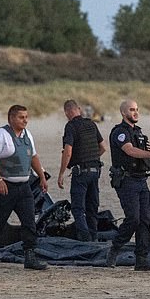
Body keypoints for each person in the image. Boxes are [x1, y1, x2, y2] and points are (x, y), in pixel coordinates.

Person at [0, 105, 49, 271]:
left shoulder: (27, 135)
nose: (25, 120)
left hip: (24, 187)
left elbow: (33, 156)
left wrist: (42, 176)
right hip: (4, 188)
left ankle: (30, 257)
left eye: (26, 117)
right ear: (11, 119)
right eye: (21, 117)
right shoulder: (1, 135)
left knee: (30, 222)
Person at [105, 100, 150, 271]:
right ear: (123, 113)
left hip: (141, 180)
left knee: (145, 220)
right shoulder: (120, 132)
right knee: (133, 218)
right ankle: (115, 247)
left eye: (136, 109)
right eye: (131, 110)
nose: (135, 113)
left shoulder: (139, 132)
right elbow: (130, 151)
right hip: (127, 181)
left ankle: (142, 259)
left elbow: (142, 151)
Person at [57, 99, 107, 241]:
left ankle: (85, 239)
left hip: (81, 173)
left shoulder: (70, 127)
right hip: (95, 171)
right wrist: (91, 158)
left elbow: (68, 152)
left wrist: (61, 173)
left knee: (78, 208)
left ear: (66, 112)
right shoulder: (91, 124)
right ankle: (94, 237)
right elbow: (103, 147)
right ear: (79, 109)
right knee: (92, 207)